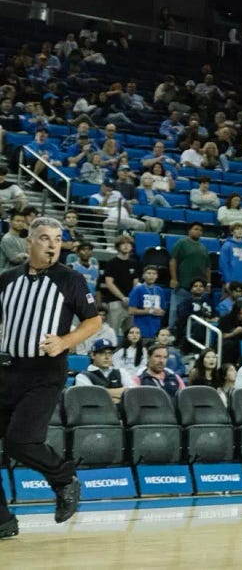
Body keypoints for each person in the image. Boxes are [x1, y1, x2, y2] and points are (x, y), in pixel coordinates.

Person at [0, 215, 99, 535]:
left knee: (20, 441)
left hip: (44, 373)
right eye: (45, 238)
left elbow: (93, 321)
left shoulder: (70, 279)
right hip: (6, 371)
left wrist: (65, 341)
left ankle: (64, 478)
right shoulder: (6, 280)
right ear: (29, 242)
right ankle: (2, 521)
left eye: (58, 239)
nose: (53, 245)